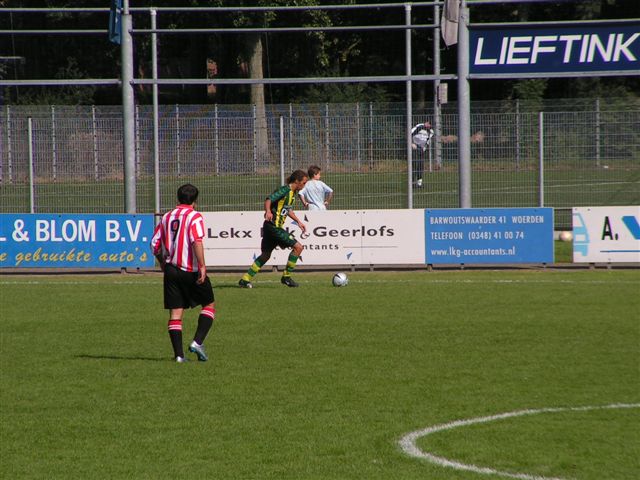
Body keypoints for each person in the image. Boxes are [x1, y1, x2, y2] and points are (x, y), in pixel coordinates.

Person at [150, 184, 215, 363]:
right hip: (190, 270)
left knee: (176, 314)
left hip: (171, 270)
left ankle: (179, 356)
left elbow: (154, 244)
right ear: (195, 200)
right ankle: (197, 342)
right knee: (209, 305)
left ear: (178, 198)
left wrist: (162, 262)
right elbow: (197, 241)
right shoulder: (194, 216)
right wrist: (202, 265)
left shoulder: (166, 217)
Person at [239, 170, 308, 288]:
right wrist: (268, 211)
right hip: (274, 227)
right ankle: (286, 277)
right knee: (298, 247)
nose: (304, 185)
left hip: (270, 227)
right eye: (304, 183)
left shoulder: (292, 193)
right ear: (297, 181)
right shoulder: (285, 190)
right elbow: (269, 199)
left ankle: (245, 279)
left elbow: (287, 209)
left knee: (265, 255)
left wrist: (298, 221)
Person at [411, 120, 435, 187]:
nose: (429, 126)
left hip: (421, 149)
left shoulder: (431, 131)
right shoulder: (419, 126)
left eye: (431, 126)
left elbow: (428, 140)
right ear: (427, 122)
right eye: (429, 124)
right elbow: (410, 133)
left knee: (420, 166)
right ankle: (412, 182)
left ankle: (419, 183)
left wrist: (424, 148)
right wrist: (411, 143)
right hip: (414, 147)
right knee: (414, 165)